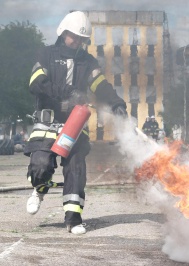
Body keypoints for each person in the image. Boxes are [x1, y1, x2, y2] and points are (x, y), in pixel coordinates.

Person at [24, 11, 127, 235]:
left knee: (76, 168)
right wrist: (67, 91)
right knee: (41, 165)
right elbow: (36, 83)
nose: (78, 41)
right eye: (75, 37)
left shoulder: (88, 62)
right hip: (47, 123)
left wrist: (116, 103)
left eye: (82, 39)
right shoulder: (46, 54)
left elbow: (100, 84)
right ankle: (39, 189)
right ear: (63, 32)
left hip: (75, 123)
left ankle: (74, 219)